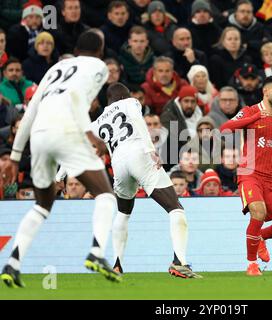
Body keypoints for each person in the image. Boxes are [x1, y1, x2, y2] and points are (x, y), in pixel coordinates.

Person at [0, 31, 121, 288]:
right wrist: (90, 134)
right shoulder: (98, 66)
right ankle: (97, 252)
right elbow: (77, 98)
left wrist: (15, 156)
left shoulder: (57, 67)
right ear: (99, 50)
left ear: (76, 48)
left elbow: (31, 109)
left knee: (42, 206)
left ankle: (12, 263)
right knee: (106, 195)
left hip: (40, 135)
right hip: (67, 131)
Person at [91, 82, 201, 278]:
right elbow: (136, 118)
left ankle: (117, 265)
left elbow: (80, 146)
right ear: (125, 95)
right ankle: (180, 262)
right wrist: (150, 149)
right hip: (138, 156)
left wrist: (60, 176)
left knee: (123, 214)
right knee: (175, 208)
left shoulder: (97, 122)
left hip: (118, 165)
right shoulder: (129, 103)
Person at [220, 75, 272, 276]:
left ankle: (260, 237)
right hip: (250, 174)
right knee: (258, 213)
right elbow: (224, 128)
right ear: (266, 91)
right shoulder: (250, 111)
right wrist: (253, 119)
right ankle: (252, 264)